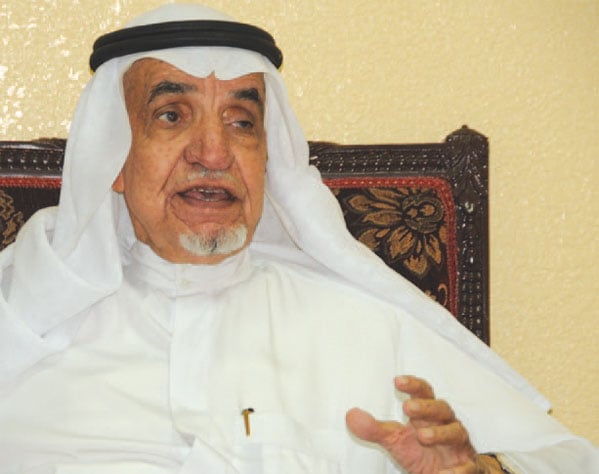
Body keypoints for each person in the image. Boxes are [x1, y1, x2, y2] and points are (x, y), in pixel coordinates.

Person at [0, 3, 597, 473]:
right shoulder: (20, 319)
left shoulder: (370, 329)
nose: (213, 153)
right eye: (172, 115)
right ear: (113, 157)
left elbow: (557, 459)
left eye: (242, 123)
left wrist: (478, 473)